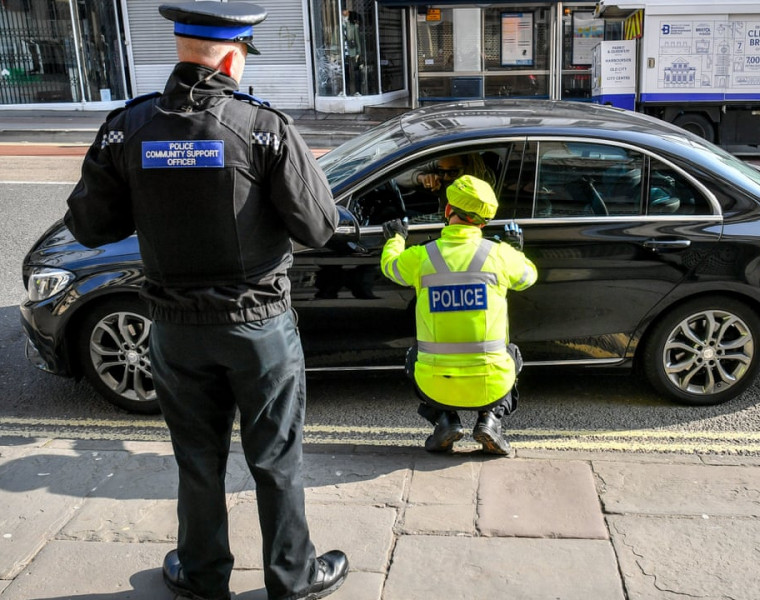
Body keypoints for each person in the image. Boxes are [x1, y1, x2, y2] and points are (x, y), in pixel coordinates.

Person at [63, 3, 349, 599]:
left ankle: (201, 575)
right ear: (229, 55)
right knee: (276, 460)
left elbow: (89, 227)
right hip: (258, 327)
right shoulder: (263, 128)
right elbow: (319, 228)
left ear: (182, 49)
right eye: (243, 56)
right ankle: (292, 579)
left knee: (197, 460)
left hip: (174, 326)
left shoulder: (128, 127)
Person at [379, 175, 537, 455]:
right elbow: (527, 277)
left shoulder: (421, 256)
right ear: (484, 222)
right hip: (492, 383)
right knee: (511, 353)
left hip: (435, 384)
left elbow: (390, 267)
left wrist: (396, 237)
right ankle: (490, 420)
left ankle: (444, 420)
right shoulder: (500, 256)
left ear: (448, 211)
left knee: (413, 357)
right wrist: (514, 249)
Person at [412, 153, 496, 217]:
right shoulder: (443, 165)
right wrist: (421, 178)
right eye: (441, 171)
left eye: (453, 172)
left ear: (468, 167)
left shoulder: (480, 191)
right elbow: (400, 175)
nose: (446, 177)